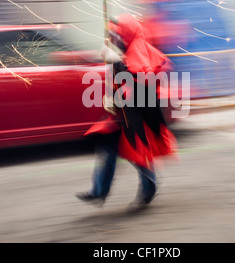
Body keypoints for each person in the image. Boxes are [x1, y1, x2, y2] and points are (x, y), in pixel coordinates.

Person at [76, 13, 177, 211]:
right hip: (125, 110)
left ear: (127, 35)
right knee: (107, 147)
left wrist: (116, 63)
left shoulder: (140, 50)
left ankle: (149, 187)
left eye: (118, 36)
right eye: (114, 36)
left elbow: (139, 79)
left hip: (139, 112)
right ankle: (99, 191)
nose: (116, 40)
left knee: (136, 152)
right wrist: (111, 94)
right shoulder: (129, 50)